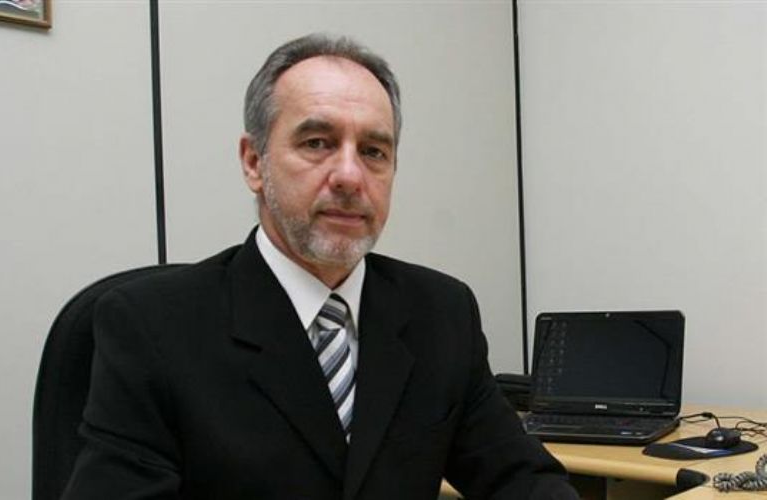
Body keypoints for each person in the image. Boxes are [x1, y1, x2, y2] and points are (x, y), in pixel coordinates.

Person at [62, 34, 579, 500]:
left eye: (374, 151)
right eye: (317, 143)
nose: (350, 176)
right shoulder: (151, 326)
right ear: (254, 162)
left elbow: (520, 477)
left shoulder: (441, 313)